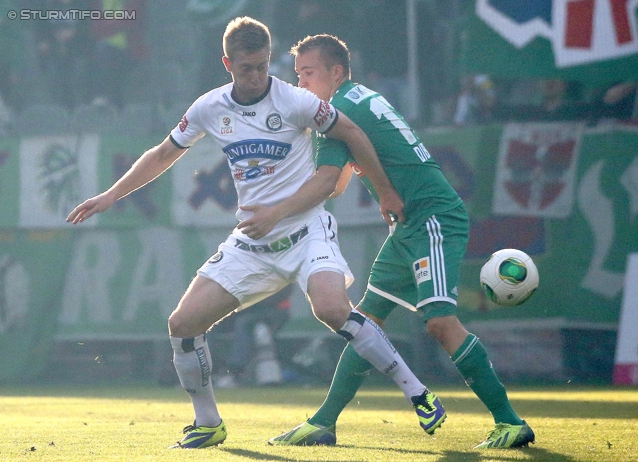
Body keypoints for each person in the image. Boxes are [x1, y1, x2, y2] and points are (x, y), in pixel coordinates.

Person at [66, 17, 445, 449]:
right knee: (182, 323)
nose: (256, 75)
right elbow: (162, 154)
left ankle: (418, 392)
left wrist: (384, 191)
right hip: (253, 242)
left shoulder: (297, 102)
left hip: (306, 231)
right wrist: (111, 196)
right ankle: (207, 422)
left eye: (262, 65)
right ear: (227, 62)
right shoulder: (210, 106)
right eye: (246, 67)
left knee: (330, 307)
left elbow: (353, 132)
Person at [268, 34, 535, 449]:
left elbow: (327, 184)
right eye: (297, 74)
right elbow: (337, 183)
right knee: (366, 325)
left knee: (439, 323)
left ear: (335, 72)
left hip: (430, 218)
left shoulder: (337, 111)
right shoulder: (357, 99)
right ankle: (323, 422)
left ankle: (510, 421)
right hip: (409, 225)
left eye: (308, 73)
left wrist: (275, 207)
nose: (300, 83)